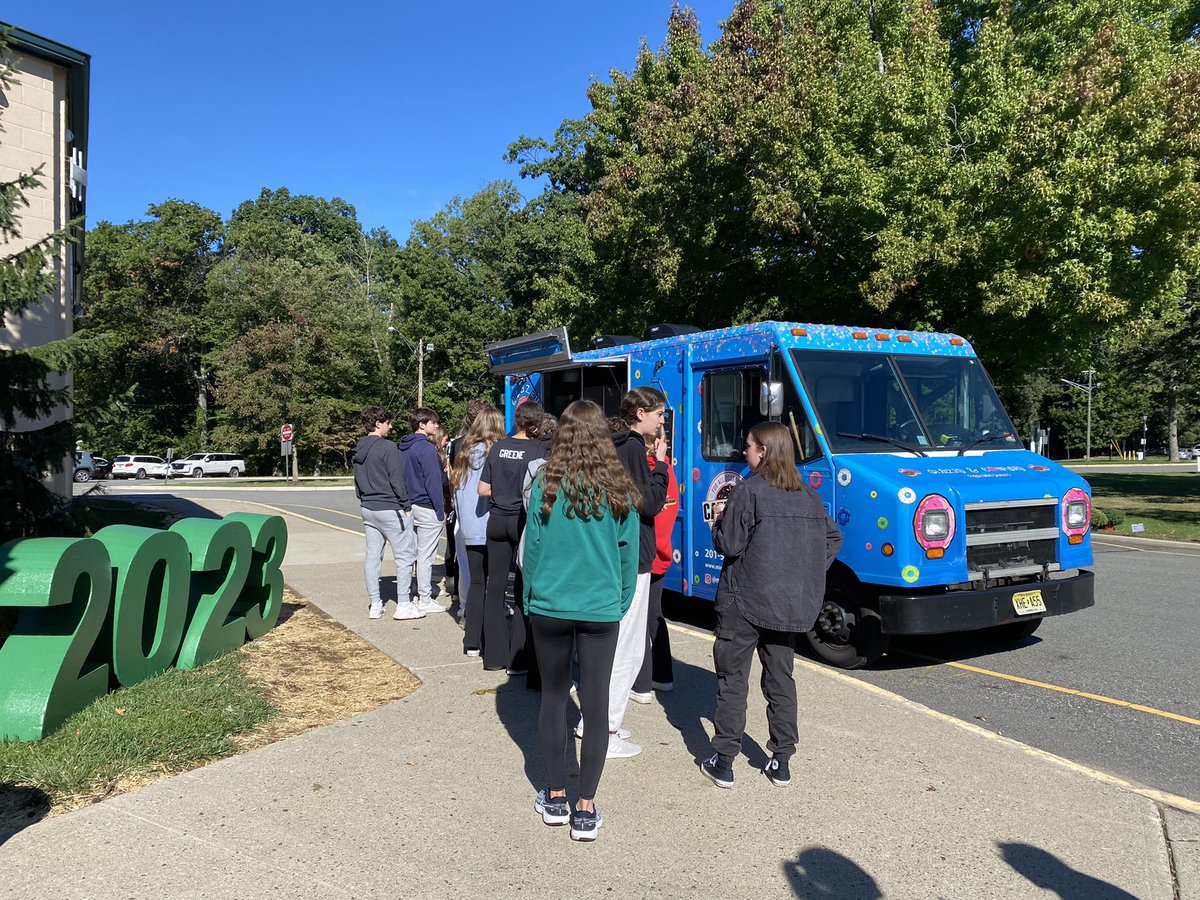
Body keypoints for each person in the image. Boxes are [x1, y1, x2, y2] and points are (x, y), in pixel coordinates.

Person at [522, 399, 640, 842]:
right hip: (600, 609)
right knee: (595, 704)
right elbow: (629, 554)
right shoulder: (619, 488)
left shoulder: (546, 484)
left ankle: (555, 796)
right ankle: (586, 807)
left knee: (553, 699)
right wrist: (620, 601)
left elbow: (532, 549)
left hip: (550, 604)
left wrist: (530, 597)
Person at [702, 421, 843, 790]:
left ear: (763, 451)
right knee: (781, 679)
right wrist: (803, 569)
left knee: (733, 680)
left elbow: (730, 545)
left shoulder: (749, 491)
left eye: (748, 446)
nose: (743, 451)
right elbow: (833, 537)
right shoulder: (808, 495)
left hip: (743, 600)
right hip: (787, 604)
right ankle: (781, 760)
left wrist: (718, 522)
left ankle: (724, 761)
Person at [594, 387, 668, 759]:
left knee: (617, 640)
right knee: (628, 645)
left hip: (614, 550)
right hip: (635, 553)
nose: (662, 421)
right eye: (659, 414)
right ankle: (605, 730)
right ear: (640, 413)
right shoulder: (635, 447)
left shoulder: (613, 442)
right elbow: (649, 504)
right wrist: (662, 466)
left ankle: (597, 721)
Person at [479, 400, 546, 674]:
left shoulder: (498, 447)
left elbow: (483, 489)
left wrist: (503, 493)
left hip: (497, 519)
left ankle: (494, 656)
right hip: (522, 520)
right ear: (537, 423)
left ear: (517, 420)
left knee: (494, 586)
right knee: (522, 587)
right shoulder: (538, 450)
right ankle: (518, 659)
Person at [352, 405, 423, 621]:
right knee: (404, 556)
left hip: (368, 507)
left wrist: (363, 497)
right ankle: (404, 604)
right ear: (378, 423)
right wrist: (406, 505)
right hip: (390, 507)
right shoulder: (389, 447)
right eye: (388, 423)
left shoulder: (358, 448)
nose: (390, 427)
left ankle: (375, 604)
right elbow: (397, 479)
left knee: (373, 556)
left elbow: (357, 480)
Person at [450, 407, 505, 657]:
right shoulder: (497, 452)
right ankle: (492, 639)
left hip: (470, 526)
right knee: (495, 585)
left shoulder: (464, 452)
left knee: (476, 582)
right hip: (492, 524)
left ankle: (471, 641)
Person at [630, 445, 678, 700]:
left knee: (639, 619)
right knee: (655, 616)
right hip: (661, 551)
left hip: (643, 553)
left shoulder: (642, 472)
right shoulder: (667, 469)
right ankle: (663, 674)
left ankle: (641, 684)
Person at [398, 407, 448, 614]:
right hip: (427, 505)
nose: (436, 426)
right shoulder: (426, 449)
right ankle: (425, 598)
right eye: (433, 422)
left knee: (412, 553)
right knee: (426, 555)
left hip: (409, 505)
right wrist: (440, 510)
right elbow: (433, 481)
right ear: (421, 424)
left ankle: (413, 590)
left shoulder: (403, 447)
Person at [450, 398, 494, 614]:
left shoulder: (458, 444)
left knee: (466, 565)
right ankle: (488, 607)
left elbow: (453, 478)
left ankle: (466, 606)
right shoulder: (494, 447)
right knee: (489, 570)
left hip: (464, 510)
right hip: (487, 511)